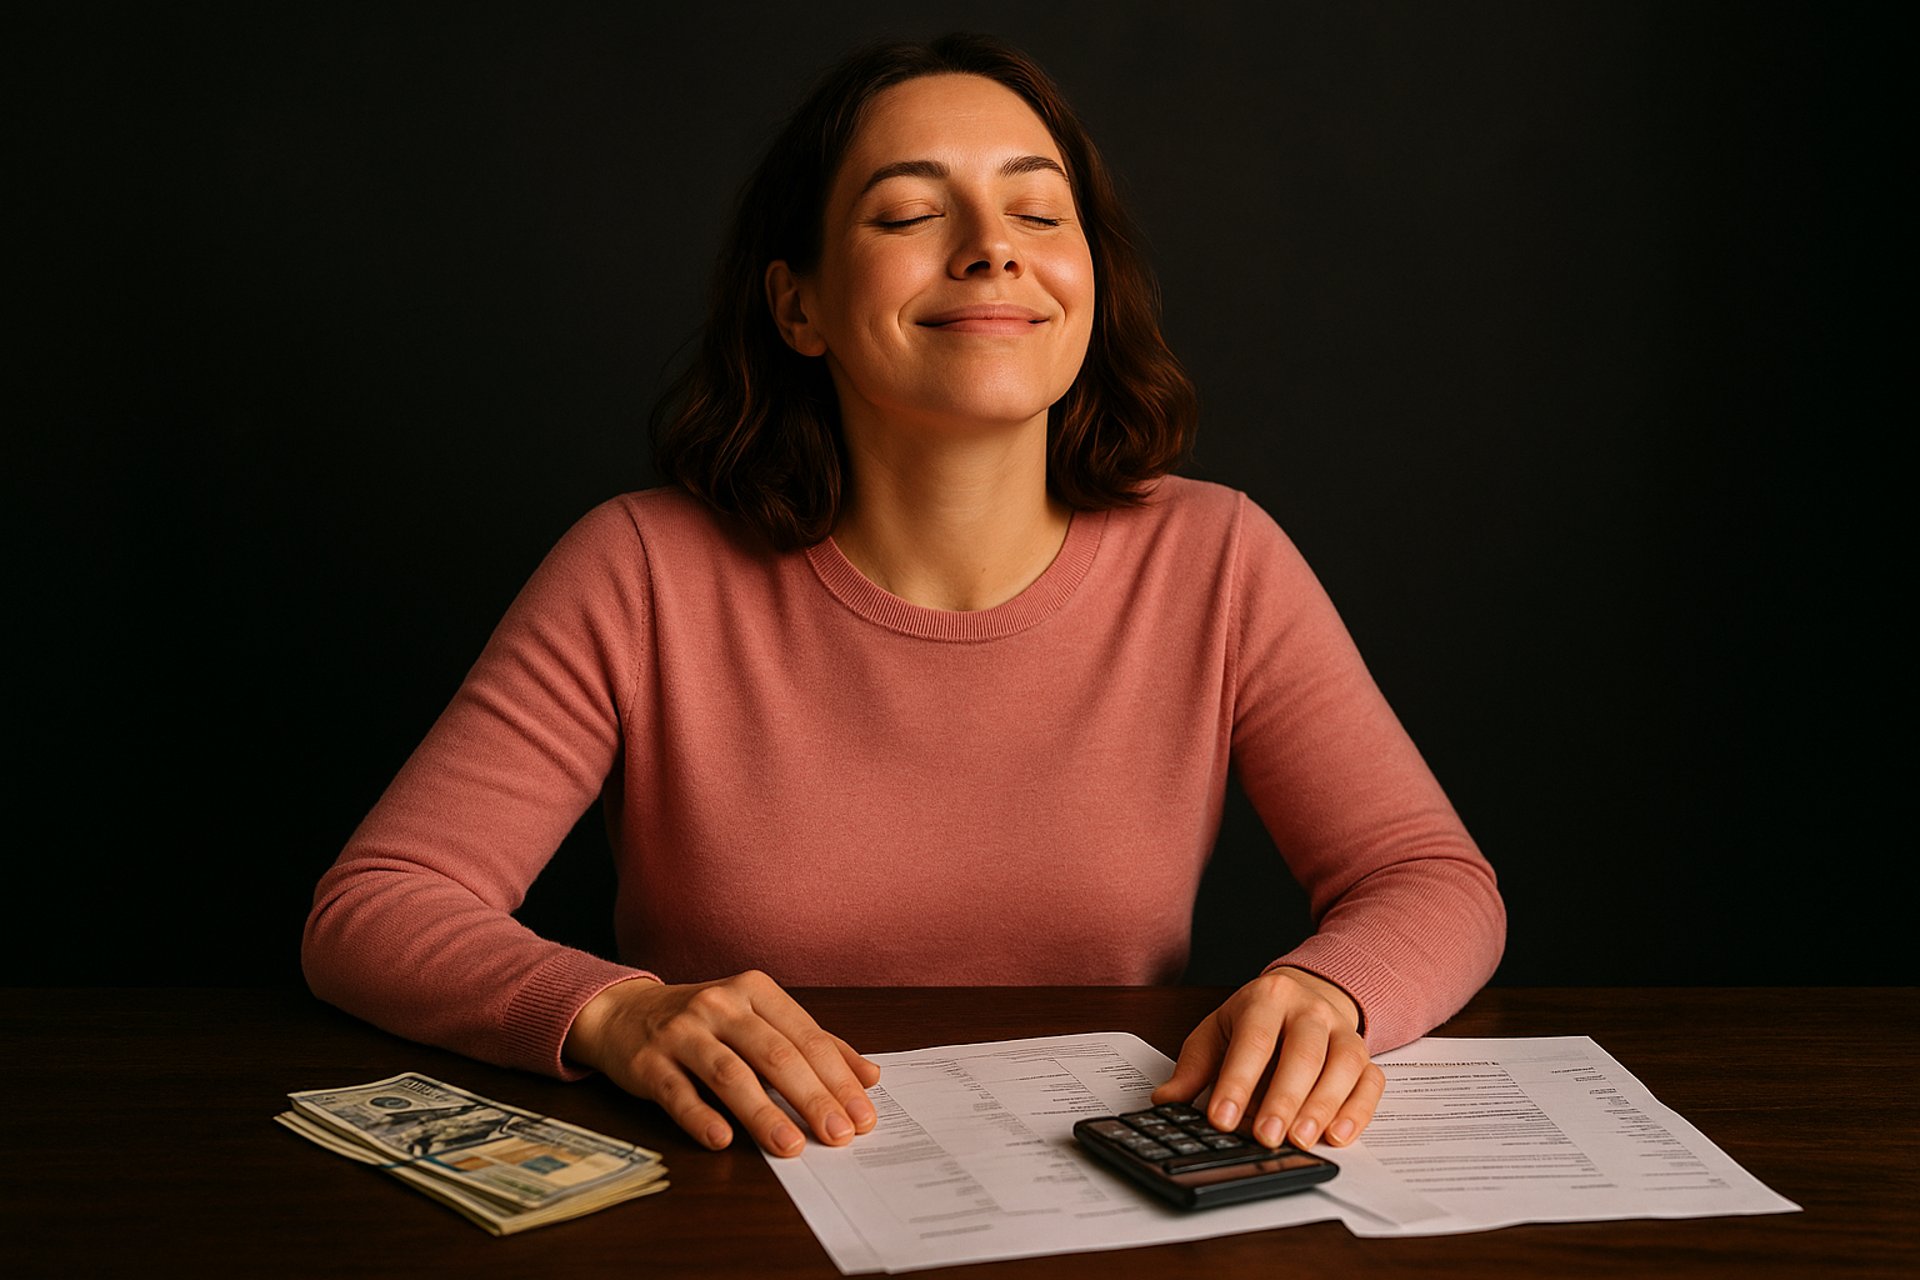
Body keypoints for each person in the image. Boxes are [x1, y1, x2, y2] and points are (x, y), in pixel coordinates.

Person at [304, 33, 1504, 1165]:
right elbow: (375, 908)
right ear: (799, 306)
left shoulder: (1218, 555)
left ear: (1090, 278)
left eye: (1039, 210)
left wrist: (1327, 989)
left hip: (1106, 1191)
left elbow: (1432, 879)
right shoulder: (640, 566)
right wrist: (614, 1011)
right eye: (911, 213)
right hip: (748, 1186)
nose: (994, 247)